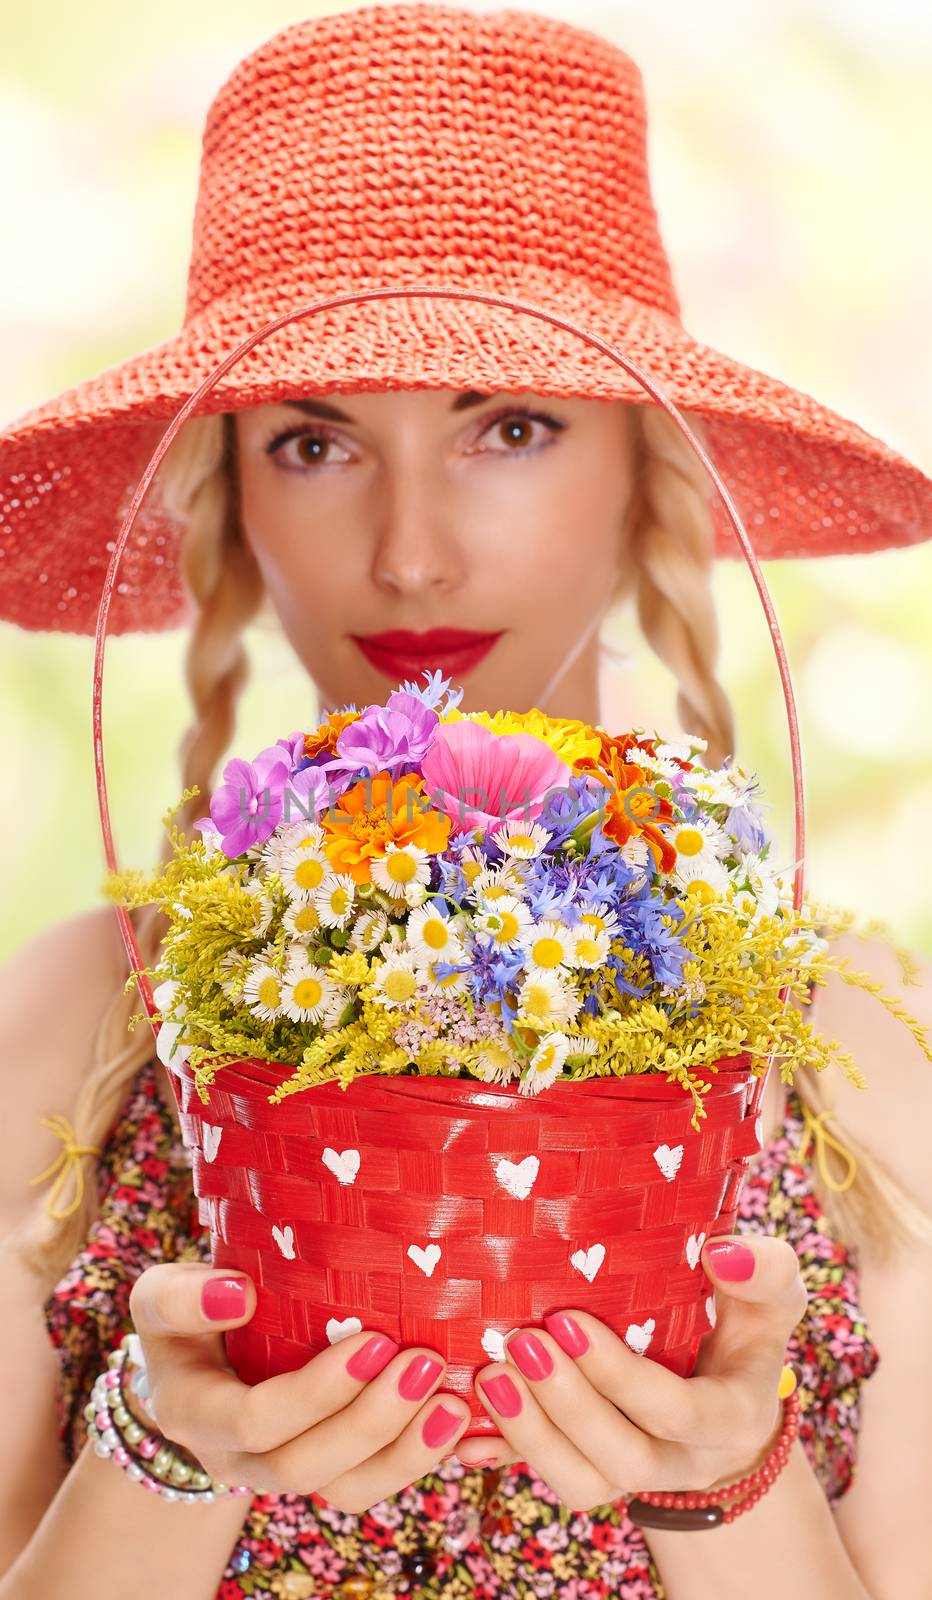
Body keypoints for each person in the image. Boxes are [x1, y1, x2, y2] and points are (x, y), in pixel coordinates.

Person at [1, 6, 931, 1598]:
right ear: (229, 494)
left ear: (648, 466)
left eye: (510, 427)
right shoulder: (87, 1016)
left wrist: (728, 1476)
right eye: (314, 441)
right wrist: (165, 1446)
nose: (411, 553)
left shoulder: (846, 1042)